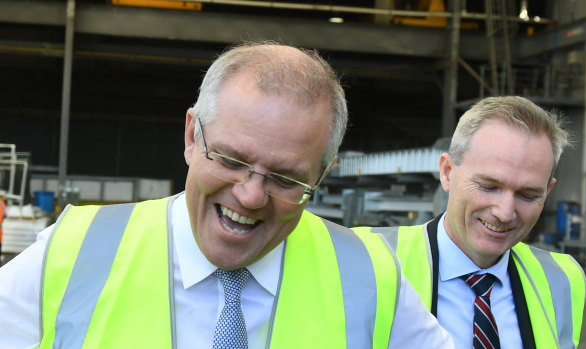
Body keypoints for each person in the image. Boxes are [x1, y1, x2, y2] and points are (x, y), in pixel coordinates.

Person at [0, 42, 453, 348]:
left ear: (324, 174)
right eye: (233, 160)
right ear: (192, 137)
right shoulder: (74, 252)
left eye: (286, 179)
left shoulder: (369, 278)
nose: (252, 196)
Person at [355, 96, 586, 348]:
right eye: (489, 186)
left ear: (547, 192)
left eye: (527, 195)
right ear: (447, 172)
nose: (505, 213)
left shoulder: (564, 279)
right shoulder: (365, 261)